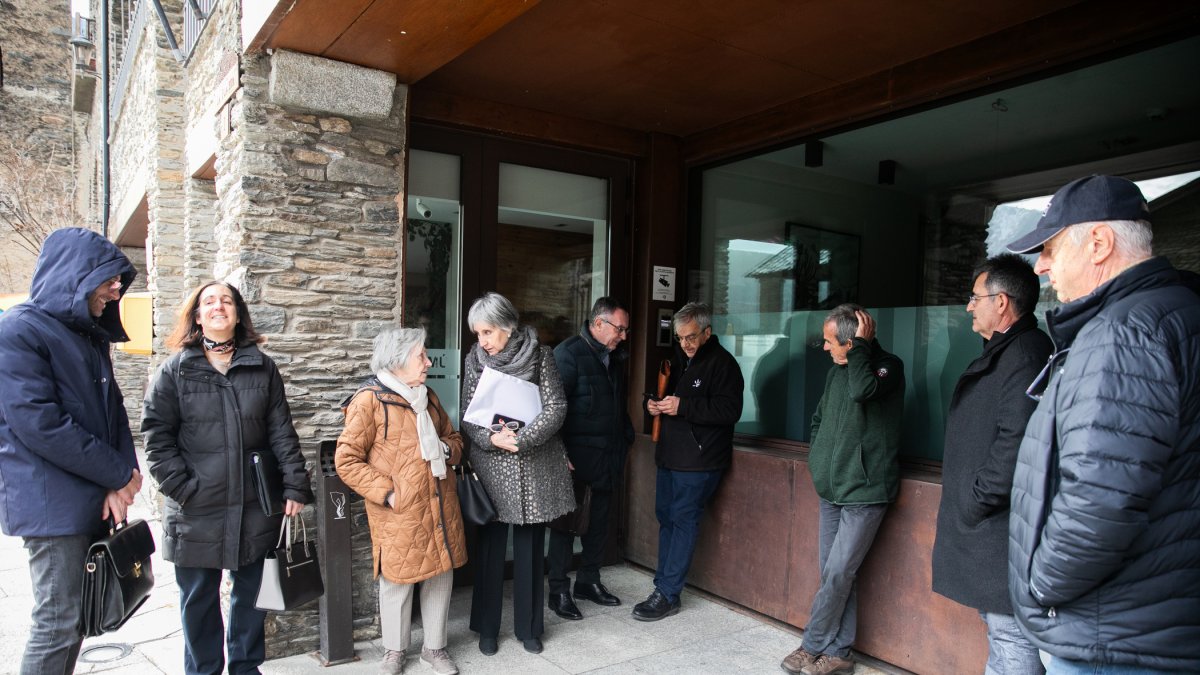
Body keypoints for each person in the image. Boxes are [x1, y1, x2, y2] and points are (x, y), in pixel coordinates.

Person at [1005, 175, 1200, 674]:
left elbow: (1100, 496)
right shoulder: (1177, 313)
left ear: (1098, 242)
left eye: (1049, 248)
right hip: (1156, 621)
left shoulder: (1122, 332)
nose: (1041, 266)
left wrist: (1042, 584)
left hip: (1110, 633)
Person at [142, 281, 314, 675]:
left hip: (254, 505)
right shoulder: (175, 370)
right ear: (197, 316)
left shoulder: (262, 367)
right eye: (209, 301)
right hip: (195, 508)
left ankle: (245, 669)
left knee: (251, 598)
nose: (218, 306)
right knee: (198, 601)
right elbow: (156, 438)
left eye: (227, 301)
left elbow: (281, 431)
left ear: (238, 314)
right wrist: (182, 488)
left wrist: (293, 485)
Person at [0, 227, 141, 675]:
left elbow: (113, 411)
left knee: (75, 618)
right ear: (76, 275)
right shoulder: (18, 331)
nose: (116, 289)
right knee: (57, 622)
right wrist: (116, 475)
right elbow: (41, 425)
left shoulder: (87, 335)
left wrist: (123, 477)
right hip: (52, 506)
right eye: (109, 279)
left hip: (88, 496)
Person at [931, 255, 1051, 674]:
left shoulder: (1025, 354)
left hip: (1003, 530)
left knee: (1011, 636)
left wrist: (977, 499)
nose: (968, 306)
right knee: (1000, 633)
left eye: (975, 297)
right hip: (991, 529)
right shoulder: (1009, 351)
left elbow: (1018, 442)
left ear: (1001, 302)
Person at [336, 326, 467, 675]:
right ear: (396, 360)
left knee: (440, 574)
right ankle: (394, 651)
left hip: (439, 503)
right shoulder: (369, 401)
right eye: (421, 355)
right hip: (399, 510)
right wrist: (389, 493)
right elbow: (347, 460)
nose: (428, 362)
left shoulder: (428, 396)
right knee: (397, 579)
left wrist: (445, 450)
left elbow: (454, 439)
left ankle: (434, 649)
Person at [781, 304, 904, 675]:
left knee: (838, 573)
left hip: (865, 492)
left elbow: (863, 390)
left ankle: (812, 644)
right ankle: (840, 653)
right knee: (835, 574)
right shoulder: (837, 371)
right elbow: (819, 419)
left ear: (852, 343)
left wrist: (862, 350)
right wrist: (818, 459)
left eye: (830, 341)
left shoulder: (888, 367)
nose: (823, 347)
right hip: (832, 491)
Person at [460, 292, 575, 656]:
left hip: (533, 465)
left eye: (488, 332)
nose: (483, 341)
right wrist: (491, 439)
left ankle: (529, 628)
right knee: (491, 550)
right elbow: (468, 415)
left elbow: (556, 407)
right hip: (492, 467)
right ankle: (487, 629)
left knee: (529, 550)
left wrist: (522, 440)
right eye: (478, 333)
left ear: (507, 326)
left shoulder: (540, 355)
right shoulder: (475, 359)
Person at [635, 302, 744, 621]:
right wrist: (652, 405)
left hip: (699, 460)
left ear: (707, 332)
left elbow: (730, 411)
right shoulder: (677, 360)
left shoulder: (723, 364)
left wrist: (683, 406)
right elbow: (663, 396)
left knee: (682, 520)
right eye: (680, 337)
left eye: (691, 336)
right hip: (670, 455)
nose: (685, 343)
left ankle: (668, 594)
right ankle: (662, 586)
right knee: (666, 517)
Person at [546, 297, 635, 620]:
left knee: (599, 524)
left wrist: (626, 437)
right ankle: (558, 591)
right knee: (566, 528)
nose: (623, 336)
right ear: (599, 323)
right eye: (619, 329)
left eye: (625, 330)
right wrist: (559, 453)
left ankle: (588, 581)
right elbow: (551, 409)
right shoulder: (567, 354)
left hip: (608, 455)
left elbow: (617, 403)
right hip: (574, 460)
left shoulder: (614, 356)